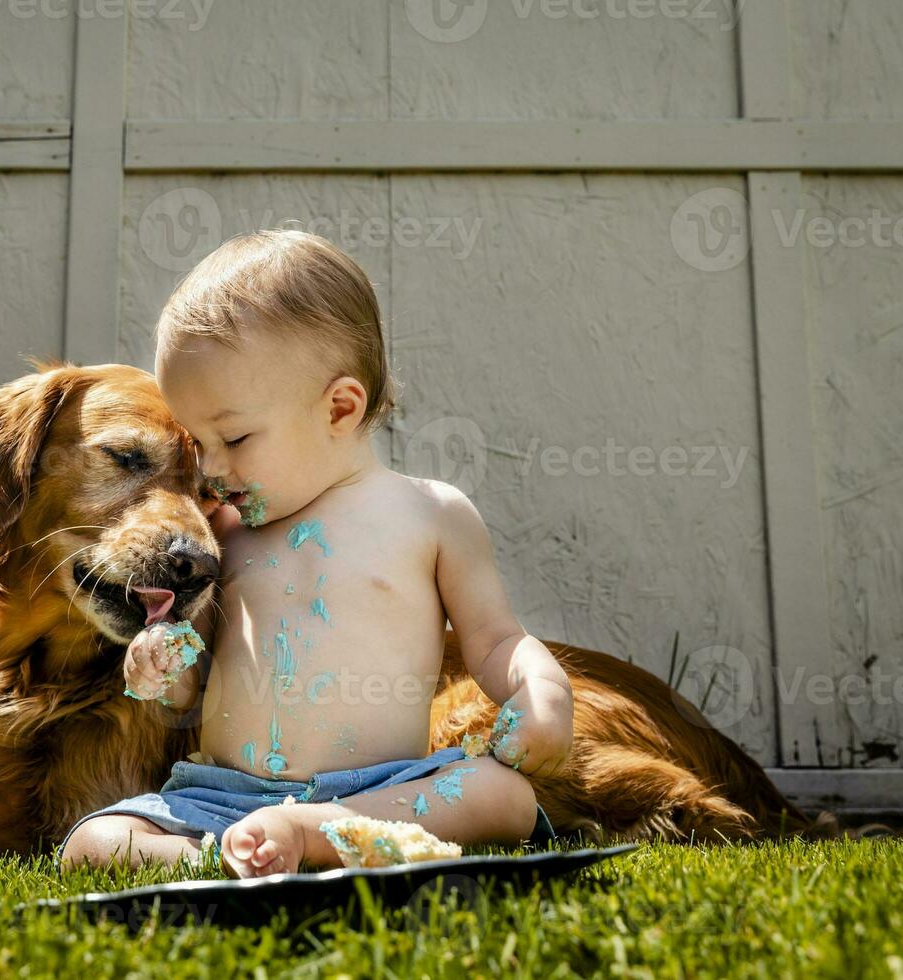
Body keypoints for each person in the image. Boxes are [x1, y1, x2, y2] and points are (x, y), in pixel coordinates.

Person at [60, 230, 572, 878]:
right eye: (196, 442)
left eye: (234, 436)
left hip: (385, 794)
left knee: (502, 795)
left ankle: (314, 835)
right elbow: (190, 680)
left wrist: (543, 691)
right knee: (92, 842)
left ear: (338, 407)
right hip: (223, 799)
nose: (210, 467)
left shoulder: (430, 514)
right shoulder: (226, 532)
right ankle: (238, 853)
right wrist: (161, 661)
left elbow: (496, 640)